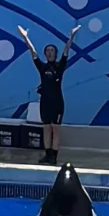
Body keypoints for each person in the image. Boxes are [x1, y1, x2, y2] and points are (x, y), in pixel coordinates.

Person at [18, 23, 80, 164]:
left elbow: (67, 50)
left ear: (55, 54)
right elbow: (32, 51)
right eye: (48, 51)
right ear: (45, 54)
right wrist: (25, 37)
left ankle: (54, 157)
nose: (50, 52)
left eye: (52, 50)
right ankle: (47, 154)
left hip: (57, 102)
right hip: (45, 102)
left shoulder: (60, 66)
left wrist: (71, 36)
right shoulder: (42, 67)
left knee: (55, 129)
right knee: (46, 128)